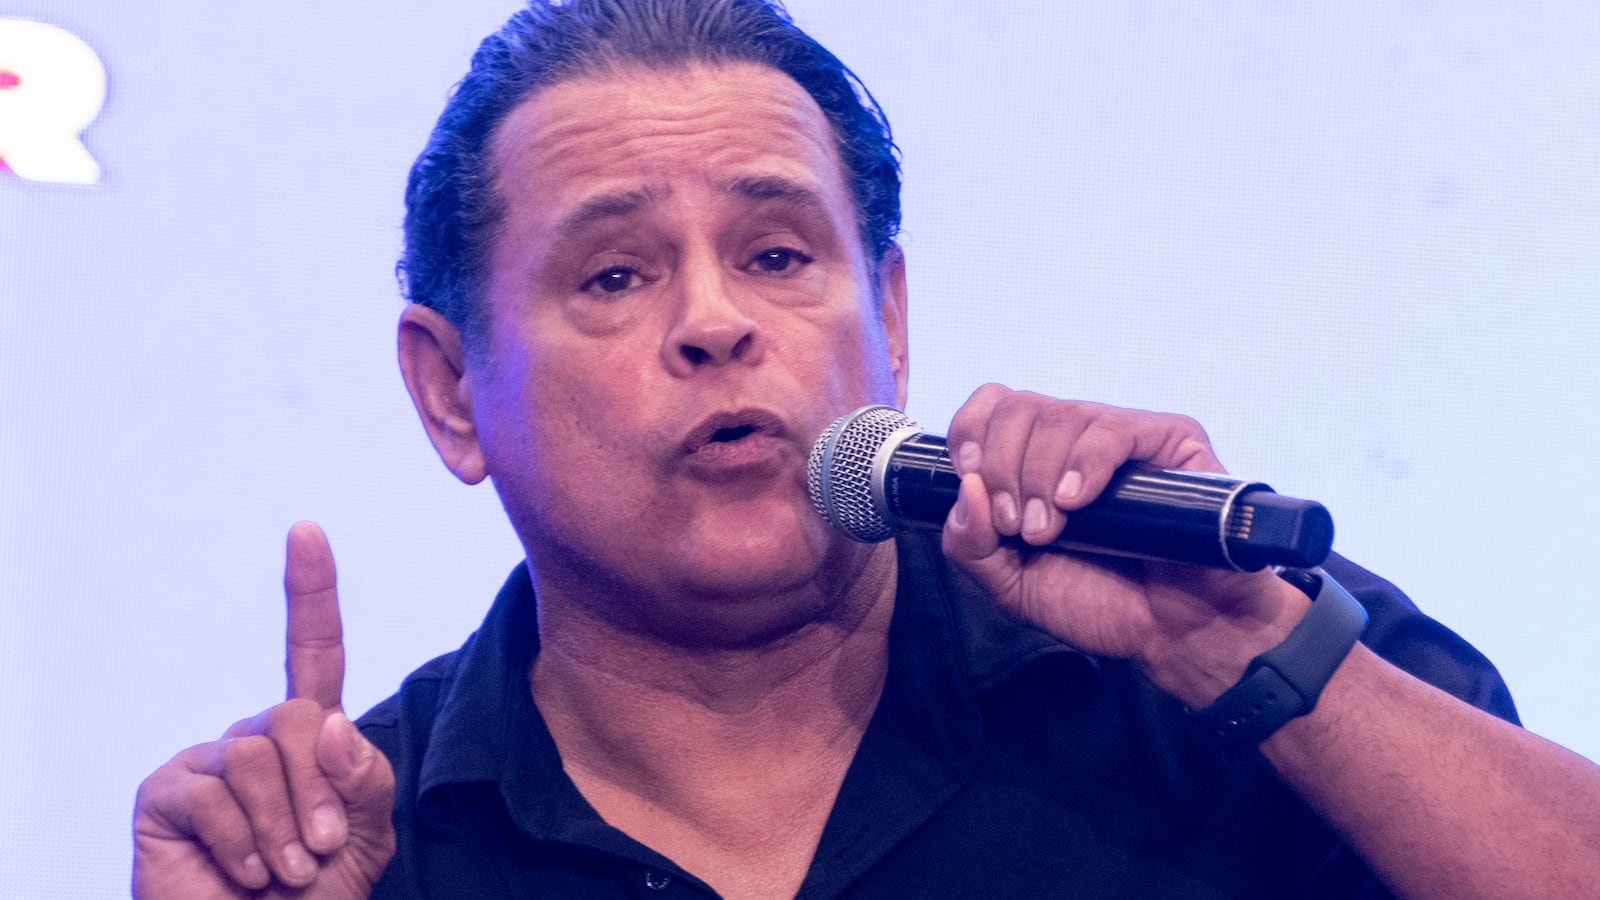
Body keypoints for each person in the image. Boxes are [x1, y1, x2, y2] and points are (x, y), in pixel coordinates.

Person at [132, 1, 1600, 897]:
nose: (716, 324)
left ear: (887, 311)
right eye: (617, 277)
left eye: (778, 256)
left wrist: (1260, 669)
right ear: (451, 394)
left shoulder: (1216, 649)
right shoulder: (361, 847)